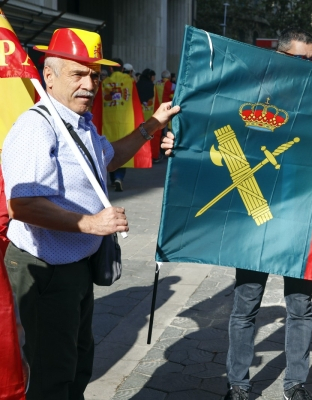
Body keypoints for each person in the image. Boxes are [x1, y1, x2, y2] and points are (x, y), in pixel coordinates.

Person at [2, 28, 179, 400]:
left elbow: (108, 157)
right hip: (46, 269)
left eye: (94, 75)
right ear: (48, 76)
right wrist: (91, 223)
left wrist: (152, 126)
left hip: (76, 264)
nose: (89, 84)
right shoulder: (37, 126)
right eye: (77, 73)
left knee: (79, 363)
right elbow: (23, 205)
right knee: (53, 375)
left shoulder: (79, 122)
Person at [161, 27, 312, 400]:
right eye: (301, 60)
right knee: (246, 305)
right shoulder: (246, 94)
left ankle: (295, 384)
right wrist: (182, 146)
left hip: (301, 218)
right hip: (255, 218)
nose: (309, 68)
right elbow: (213, 131)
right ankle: (238, 384)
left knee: (300, 307)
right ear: (280, 57)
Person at [92, 60, 149, 192]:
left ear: (111, 69)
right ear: (122, 69)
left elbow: (98, 103)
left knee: (109, 148)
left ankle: (113, 178)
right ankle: (119, 177)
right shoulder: (129, 81)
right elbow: (135, 100)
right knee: (123, 149)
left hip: (108, 121)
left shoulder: (104, 83)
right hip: (126, 121)